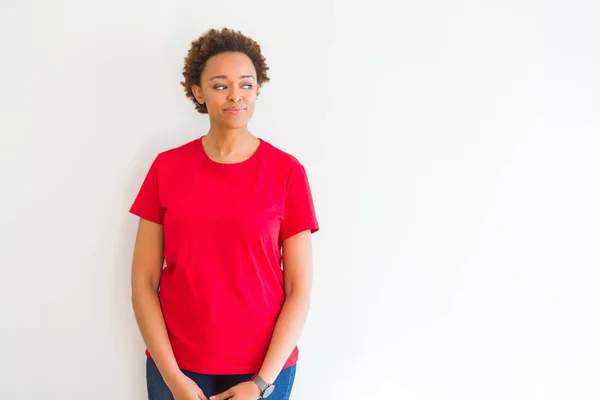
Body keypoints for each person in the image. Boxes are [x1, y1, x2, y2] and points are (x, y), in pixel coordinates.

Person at [129, 28, 319, 400]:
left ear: (258, 89)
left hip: (263, 369)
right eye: (220, 86)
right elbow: (143, 283)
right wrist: (172, 377)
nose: (235, 95)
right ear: (198, 92)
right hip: (177, 366)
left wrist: (261, 384)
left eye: (246, 84)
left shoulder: (287, 172)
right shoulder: (166, 168)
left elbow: (299, 290)